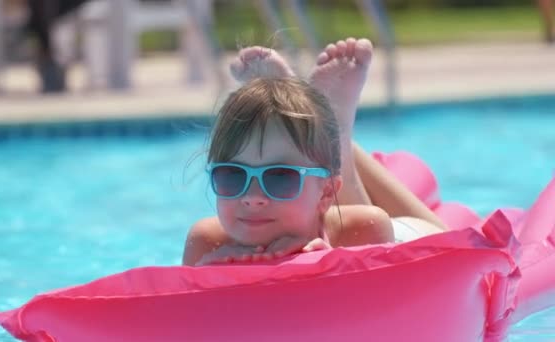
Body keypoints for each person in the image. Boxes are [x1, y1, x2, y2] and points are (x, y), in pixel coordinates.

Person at [183, 38, 447, 267]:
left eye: (280, 177)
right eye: (232, 176)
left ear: (328, 193)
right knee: (310, 153)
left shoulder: (367, 227)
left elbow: (388, 310)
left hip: (405, 240)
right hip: (319, 182)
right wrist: (208, 275)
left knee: (450, 237)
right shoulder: (207, 243)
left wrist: (332, 266)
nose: (252, 198)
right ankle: (315, 121)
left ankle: (334, 129)